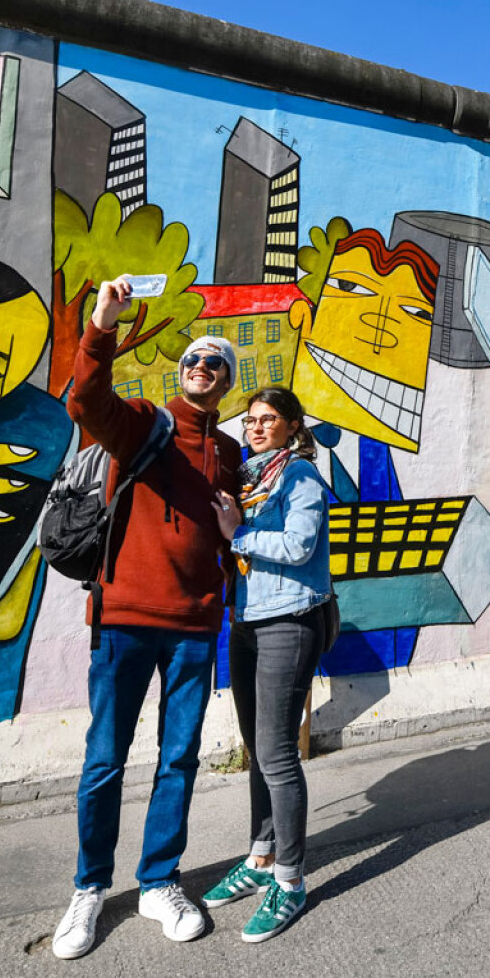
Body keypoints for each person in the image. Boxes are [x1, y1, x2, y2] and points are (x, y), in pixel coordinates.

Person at [51, 276, 242, 961]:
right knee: (105, 759)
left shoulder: (229, 454)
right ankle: (90, 888)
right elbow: (84, 401)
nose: (200, 369)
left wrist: (236, 526)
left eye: (214, 364)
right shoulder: (141, 424)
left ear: (226, 384)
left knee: (179, 758)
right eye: (193, 360)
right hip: (126, 618)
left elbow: (233, 533)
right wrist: (101, 325)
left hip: (195, 627)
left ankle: (159, 880)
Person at [201, 386, 333, 943]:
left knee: (278, 754)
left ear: (292, 426)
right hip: (249, 619)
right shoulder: (253, 479)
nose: (256, 427)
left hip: (290, 619)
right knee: (258, 748)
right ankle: (259, 859)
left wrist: (240, 535)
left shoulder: (299, 477)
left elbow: (301, 545)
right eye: (251, 419)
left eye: (269, 419)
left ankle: (291, 879)